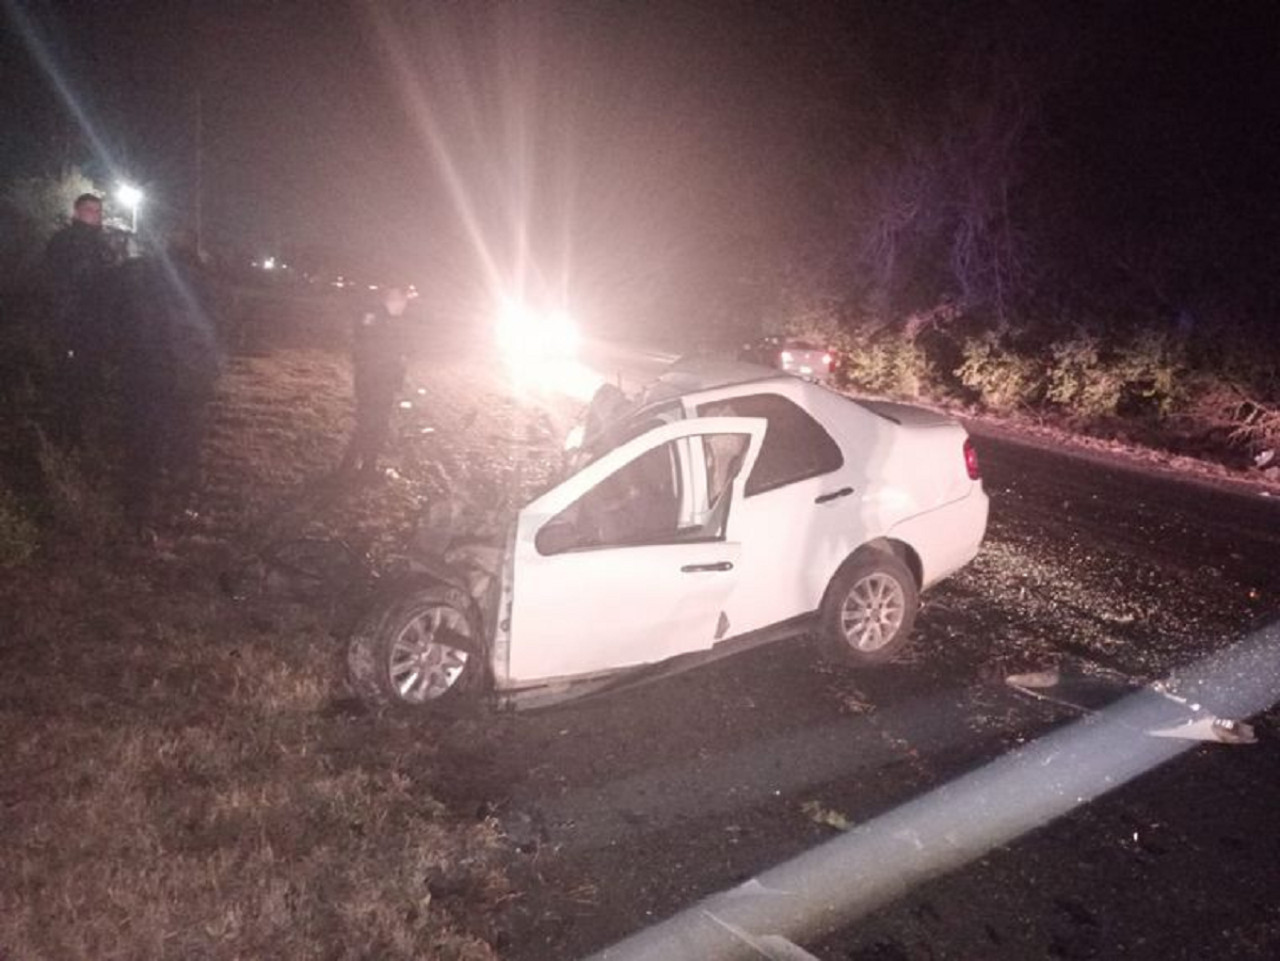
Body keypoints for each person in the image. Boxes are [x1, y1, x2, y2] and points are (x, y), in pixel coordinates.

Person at [42, 192, 119, 446]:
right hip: (72, 324)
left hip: (93, 326)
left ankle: (78, 436)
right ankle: (66, 437)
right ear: (76, 212)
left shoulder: (101, 244)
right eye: (88, 210)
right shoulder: (66, 241)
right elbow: (59, 283)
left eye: (97, 211)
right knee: (70, 381)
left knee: (88, 382)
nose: (94, 215)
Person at [340, 286, 414, 477]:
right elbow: (369, 350)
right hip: (374, 382)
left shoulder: (389, 319)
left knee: (372, 424)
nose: (404, 305)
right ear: (391, 299)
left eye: (405, 301)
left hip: (381, 382)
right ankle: (364, 467)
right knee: (371, 424)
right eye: (402, 300)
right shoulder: (375, 319)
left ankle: (356, 465)